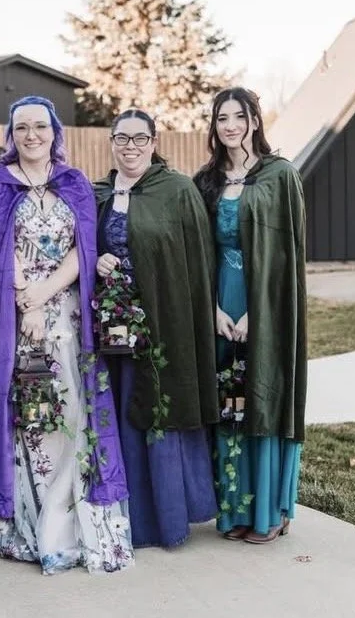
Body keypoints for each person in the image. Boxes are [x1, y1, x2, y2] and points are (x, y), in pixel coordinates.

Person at [0, 95, 133, 574]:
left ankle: (69, 526)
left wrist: (43, 295)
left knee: (73, 414)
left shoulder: (74, 183)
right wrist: (27, 301)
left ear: (55, 131)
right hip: (14, 316)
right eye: (22, 128)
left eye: (40, 126)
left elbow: (85, 249)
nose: (32, 135)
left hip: (66, 317)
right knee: (29, 417)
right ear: (11, 135)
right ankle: (27, 521)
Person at [93, 109, 219, 548]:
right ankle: (131, 518)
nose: (131, 147)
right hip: (114, 327)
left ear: (153, 141)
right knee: (123, 407)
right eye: (122, 139)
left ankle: (167, 517)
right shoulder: (99, 193)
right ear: (111, 142)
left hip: (166, 321)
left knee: (161, 407)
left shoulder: (178, 191)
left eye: (139, 139)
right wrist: (97, 260)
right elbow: (82, 247)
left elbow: (198, 263)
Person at [193, 87, 307, 544]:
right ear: (214, 126)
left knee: (264, 393)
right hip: (221, 297)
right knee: (228, 400)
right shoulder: (206, 181)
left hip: (268, 303)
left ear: (255, 120)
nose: (231, 126)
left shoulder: (280, 175)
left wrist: (258, 313)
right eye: (222, 118)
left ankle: (270, 512)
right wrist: (215, 307)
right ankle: (236, 512)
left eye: (238, 117)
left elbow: (288, 255)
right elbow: (198, 251)